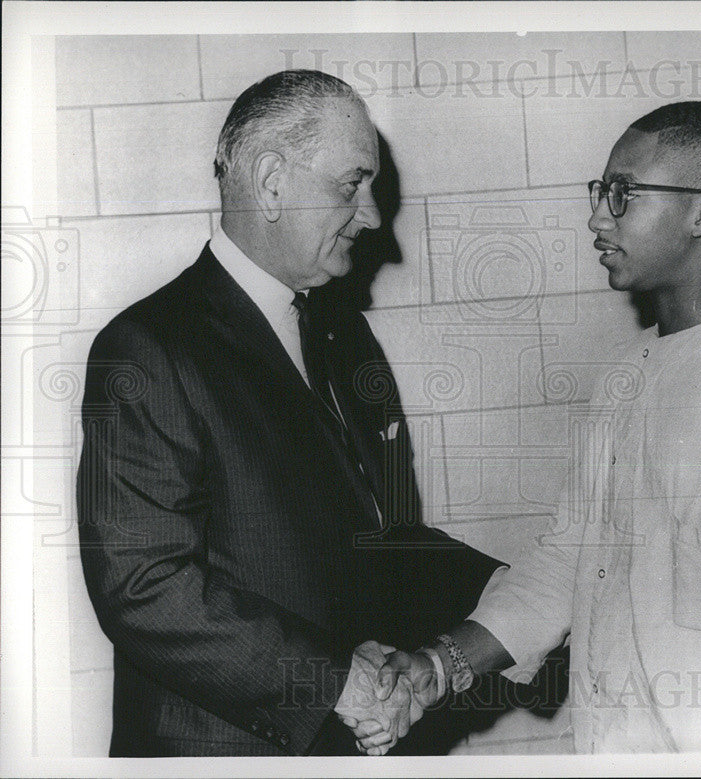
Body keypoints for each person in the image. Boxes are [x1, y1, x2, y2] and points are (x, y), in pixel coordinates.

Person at [347, 100, 701, 753]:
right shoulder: (626, 375)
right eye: (600, 192)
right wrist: (436, 667)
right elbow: (568, 560)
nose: (597, 216)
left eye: (622, 194)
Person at [75, 69, 502, 757]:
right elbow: (143, 585)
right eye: (351, 185)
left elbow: (381, 539)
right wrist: (337, 682)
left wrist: (511, 589)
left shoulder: (343, 337)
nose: (370, 216)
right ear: (273, 182)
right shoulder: (147, 348)